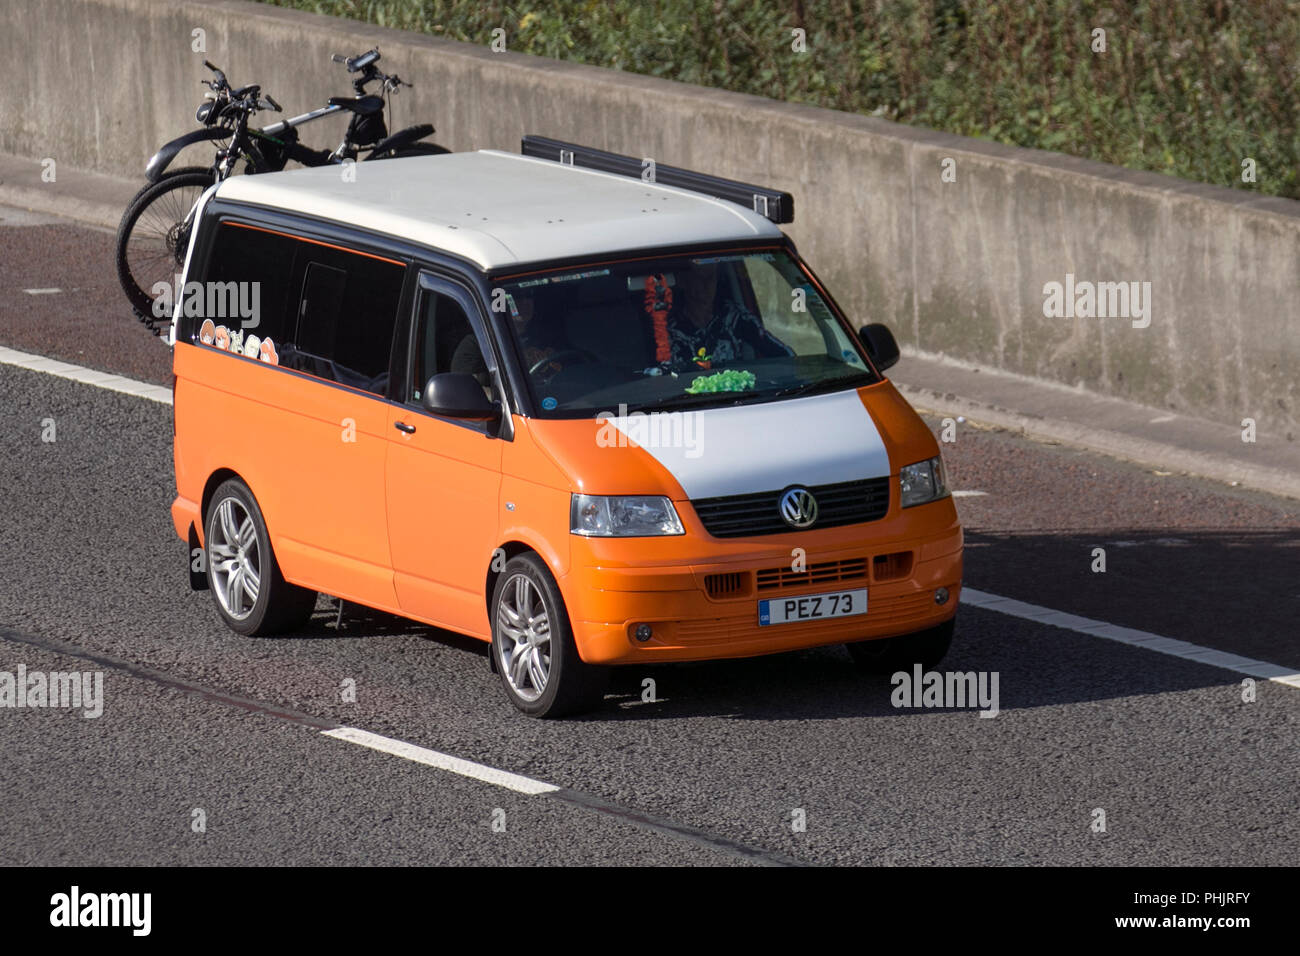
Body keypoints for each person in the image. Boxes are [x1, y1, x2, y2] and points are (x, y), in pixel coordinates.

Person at [662, 263, 792, 368]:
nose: (706, 286)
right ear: (683, 281)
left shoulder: (733, 317)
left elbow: (782, 353)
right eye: (699, 278)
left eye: (711, 278)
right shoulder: (669, 331)